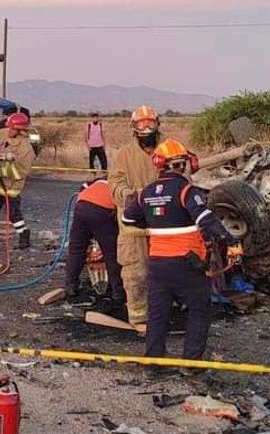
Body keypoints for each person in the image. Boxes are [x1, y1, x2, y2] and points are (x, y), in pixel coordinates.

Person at [121, 138, 242, 359]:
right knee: (198, 310)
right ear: (184, 164)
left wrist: (154, 222)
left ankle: (155, 362)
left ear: (159, 164)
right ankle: (190, 364)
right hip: (187, 264)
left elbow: (127, 219)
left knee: (157, 315)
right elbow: (206, 220)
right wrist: (231, 242)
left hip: (158, 264)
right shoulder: (188, 191)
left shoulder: (145, 193)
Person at [108, 105, 162, 331]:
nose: (146, 128)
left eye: (150, 123)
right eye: (141, 124)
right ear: (134, 127)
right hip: (133, 226)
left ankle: (163, 311)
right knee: (136, 272)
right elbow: (115, 184)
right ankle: (139, 318)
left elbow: (182, 176)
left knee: (166, 271)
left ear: (158, 124)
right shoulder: (124, 155)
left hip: (163, 224)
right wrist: (128, 196)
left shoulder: (168, 149)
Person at [63, 175, 123, 306]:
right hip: (103, 209)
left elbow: (83, 188)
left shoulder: (97, 181)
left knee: (76, 250)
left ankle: (71, 286)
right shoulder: (122, 183)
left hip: (81, 206)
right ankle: (117, 291)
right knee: (112, 253)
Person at [0, 111, 36, 249]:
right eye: (9, 127)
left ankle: (24, 235)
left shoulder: (26, 149)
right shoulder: (5, 133)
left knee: (13, 215)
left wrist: (3, 166)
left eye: (12, 128)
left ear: (20, 131)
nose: (9, 130)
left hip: (11, 187)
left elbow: (21, 172)